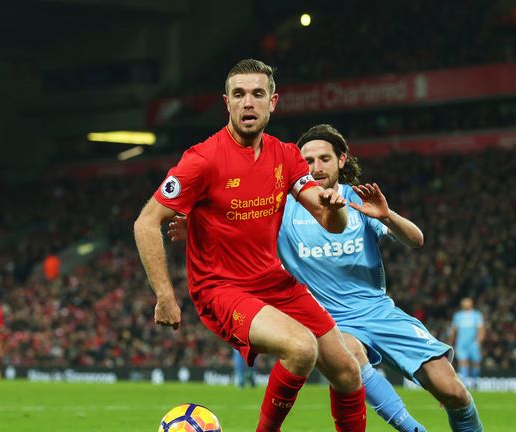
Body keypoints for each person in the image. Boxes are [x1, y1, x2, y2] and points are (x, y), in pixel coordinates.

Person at [171, 124, 483, 432]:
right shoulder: (282, 206)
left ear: (341, 160)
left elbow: (416, 240)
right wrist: (199, 230)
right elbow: (238, 229)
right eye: (307, 161)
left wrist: (387, 215)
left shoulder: (358, 201)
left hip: (378, 311)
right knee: (350, 354)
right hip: (326, 320)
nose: (316, 168)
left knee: (452, 390)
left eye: (324, 159)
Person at [134, 59, 366, 432]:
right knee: (301, 347)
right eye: (239, 94)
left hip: (273, 281)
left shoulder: (286, 155)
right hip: (221, 287)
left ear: (273, 102)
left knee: (347, 371)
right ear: (226, 103)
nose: (248, 103)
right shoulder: (202, 160)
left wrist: (335, 208)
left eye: (258, 94)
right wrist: (164, 294)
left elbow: (329, 220)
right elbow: (146, 222)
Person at [449, 298, 485, 389]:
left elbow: (481, 329)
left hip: (473, 343)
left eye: (467, 302)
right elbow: (453, 329)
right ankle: (464, 385)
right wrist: (450, 340)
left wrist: (478, 341)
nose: (465, 304)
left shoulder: (476, 315)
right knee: (463, 362)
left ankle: (475, 382)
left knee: (476, 363)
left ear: (471, 304)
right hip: (461, 344)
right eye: (463, 302)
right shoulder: (458, 316)